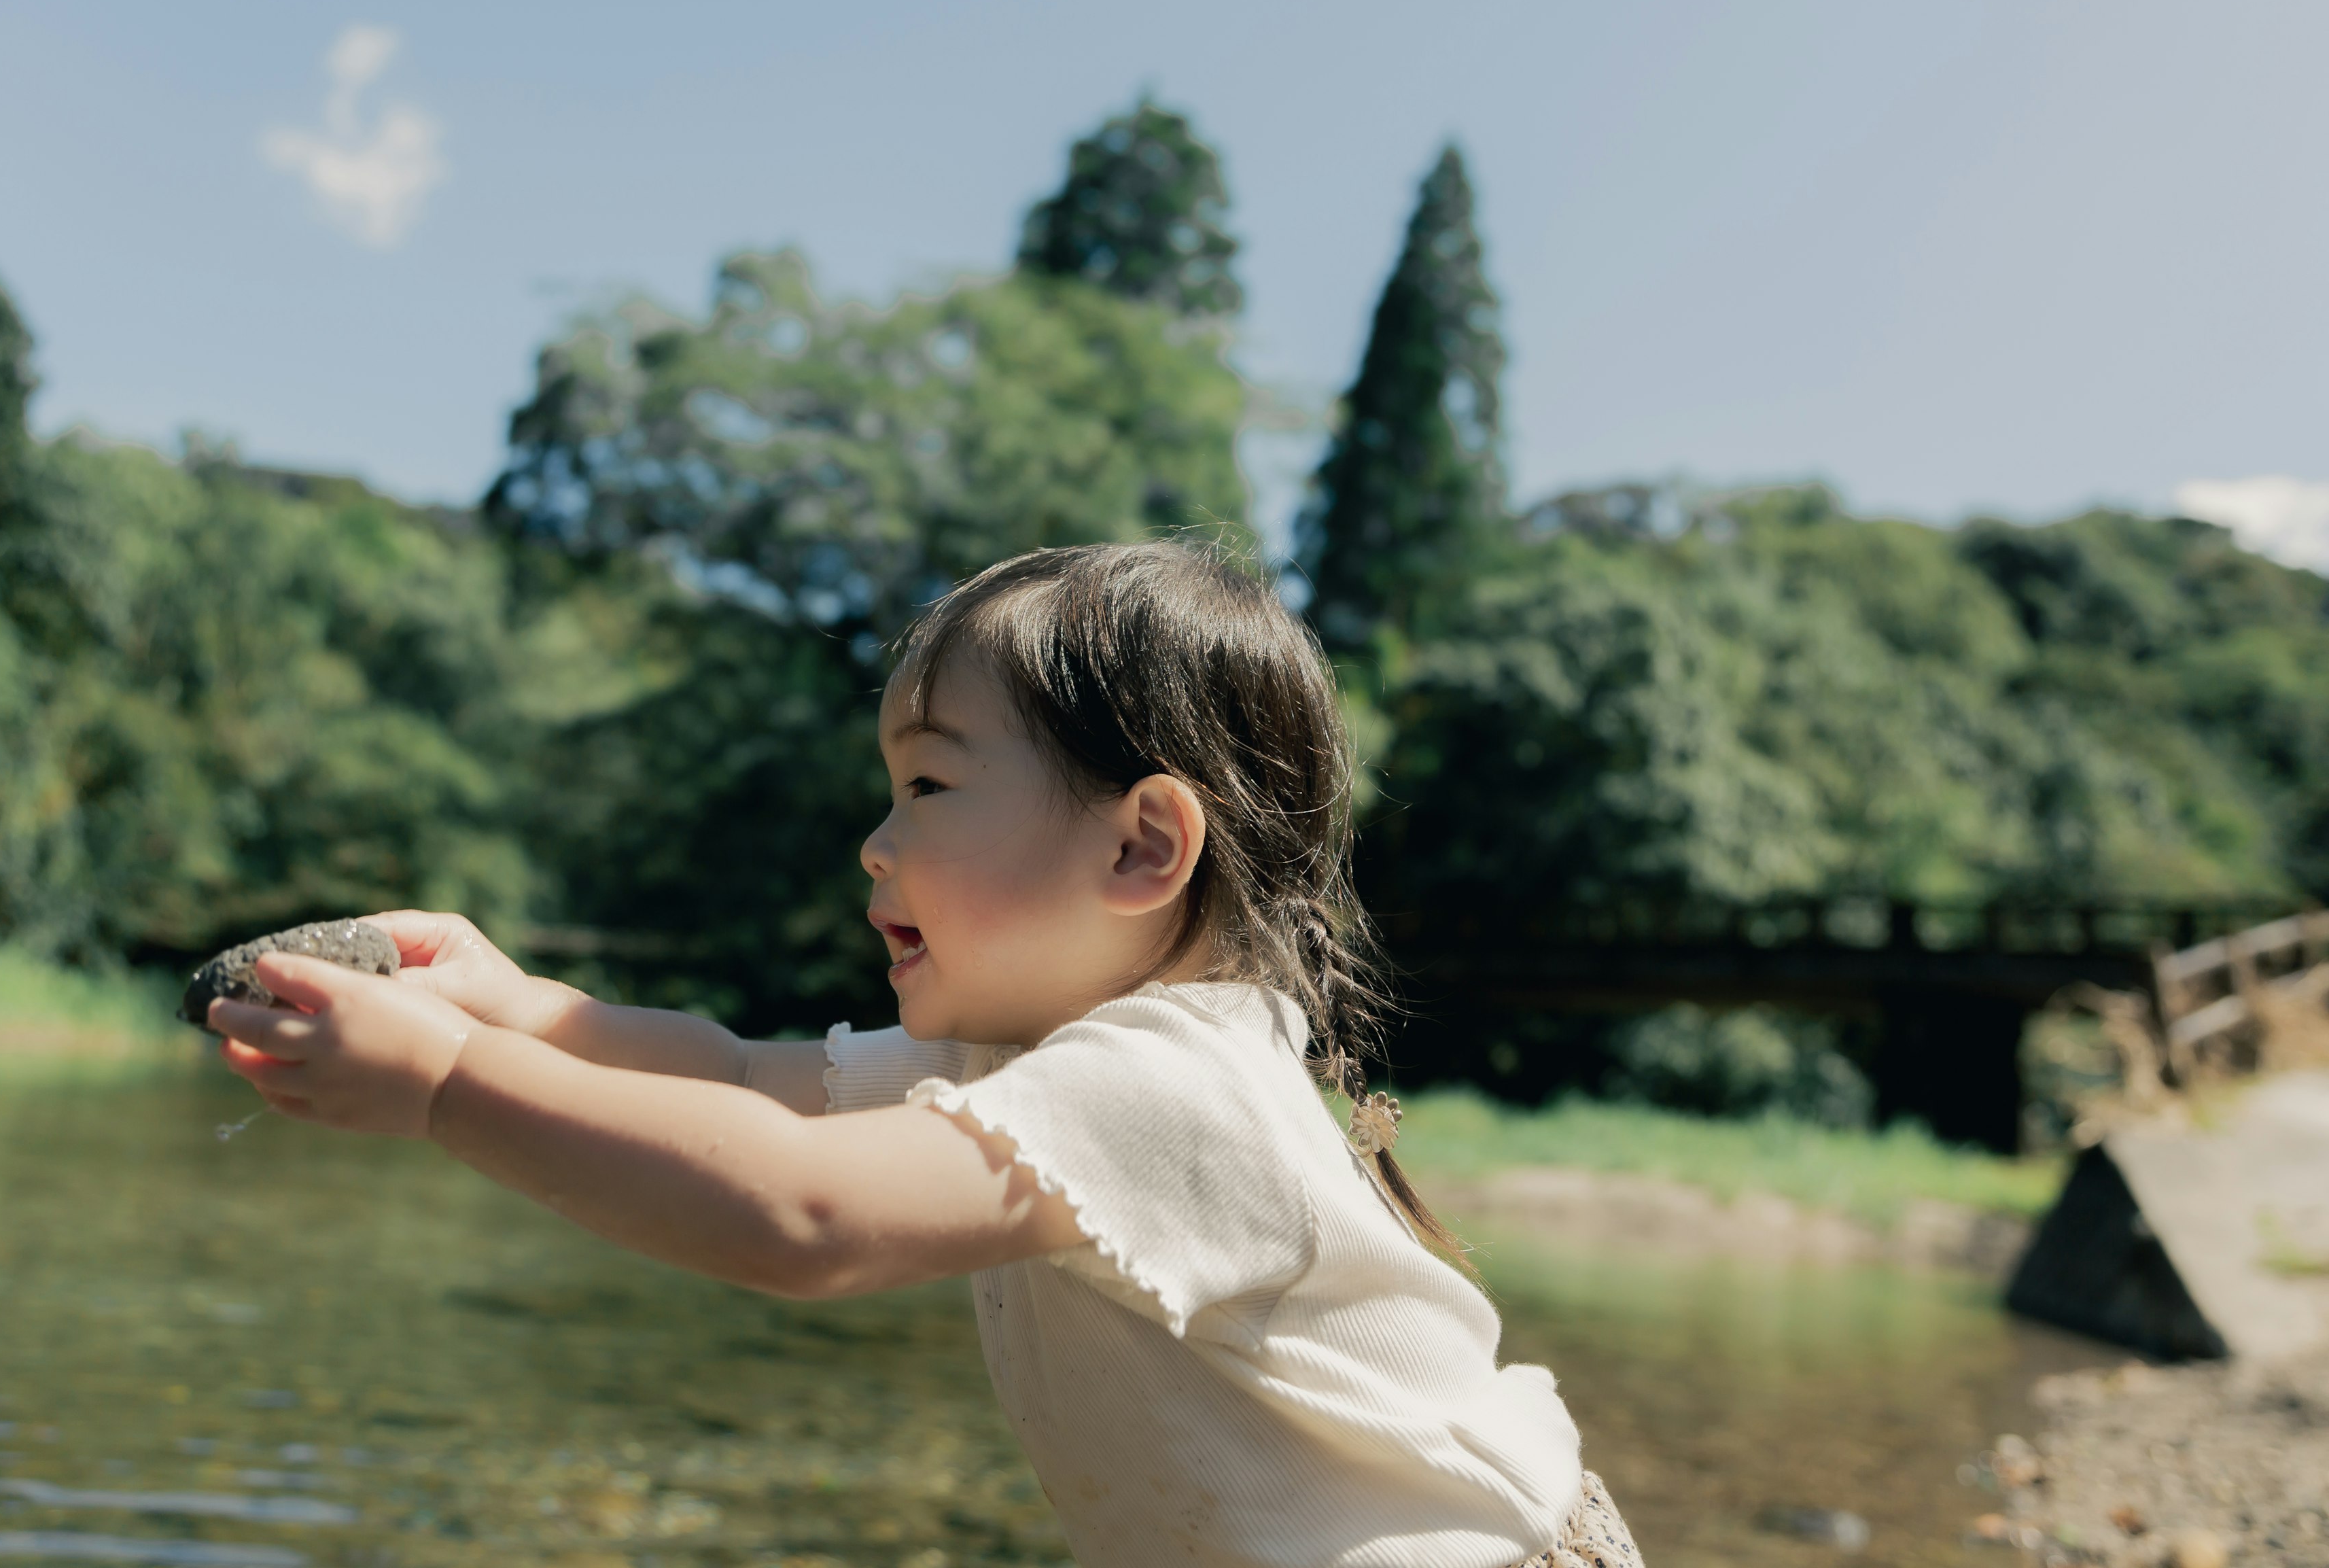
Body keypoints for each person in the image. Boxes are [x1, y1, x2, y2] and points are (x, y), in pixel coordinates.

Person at [205, 540, 1641, 1568]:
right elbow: (747, 1080)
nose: (875, 842)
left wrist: (453, 1082)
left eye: (932, 783)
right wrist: (517, 1004)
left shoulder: (1171, 1081)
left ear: (1143, 842)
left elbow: (800, 1209)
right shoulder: (1031, 1052)